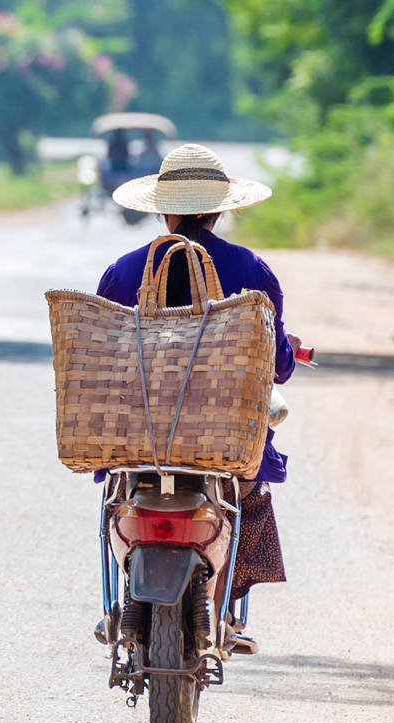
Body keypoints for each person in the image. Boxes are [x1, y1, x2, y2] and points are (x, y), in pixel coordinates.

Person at [95, 143, 300, 642]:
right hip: (221, 436)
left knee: (115, 498)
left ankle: (115, 607)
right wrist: (286, 352)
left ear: (163, 210)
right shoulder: (252, 270)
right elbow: (277, 368)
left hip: (141, 433)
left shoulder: (124, 271)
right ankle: (228, 613)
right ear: (219, 211)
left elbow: (102, 354)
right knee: (248, 492)